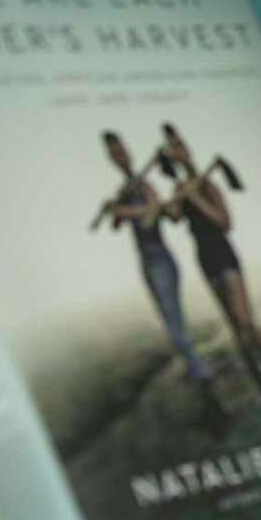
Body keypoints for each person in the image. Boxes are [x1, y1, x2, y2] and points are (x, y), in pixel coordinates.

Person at [97, 129, 225, 429]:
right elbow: (117, 225)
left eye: (120, 150)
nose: (119, 156)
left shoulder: (146, 185)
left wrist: (123, 208)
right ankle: (205, 396)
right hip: (145, 262)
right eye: (112, 154)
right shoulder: (126, 187)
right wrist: (113, 206)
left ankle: (209, 392)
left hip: (161, 260)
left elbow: (150, 215)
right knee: (172, 331)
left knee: (178, 331)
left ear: (128, 151)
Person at [159, 124, 261, 405]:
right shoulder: (180, 187)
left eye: (179, 146)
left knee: (245, 321)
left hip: (224, 253)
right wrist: (169, 205)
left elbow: (224, 223)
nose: (177, 153)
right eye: (172, 150)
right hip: (204, 259)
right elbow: (175, 217)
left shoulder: (208, 185)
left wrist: (195, 198)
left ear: (187, 149)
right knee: (234, 328)